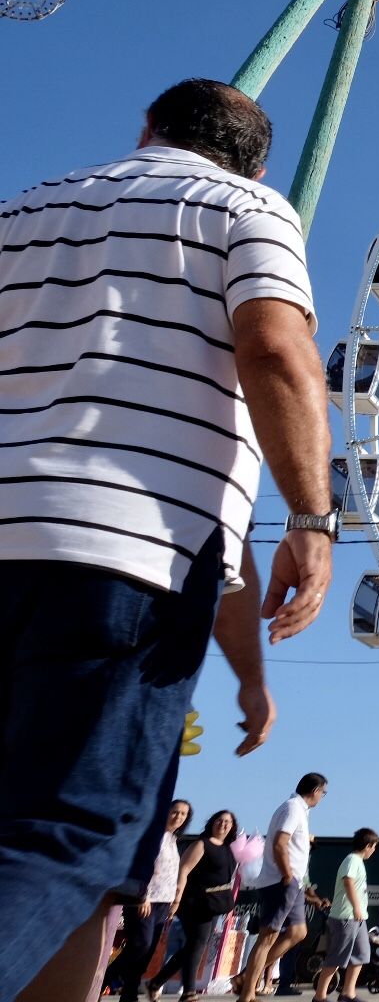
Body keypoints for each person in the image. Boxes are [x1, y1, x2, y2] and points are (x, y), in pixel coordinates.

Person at [0, 78, 333, 1002]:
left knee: (86, 876)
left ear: (144, 128)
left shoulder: (26, 206)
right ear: (260, 163)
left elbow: (211, 512)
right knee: (71, 834)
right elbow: (276, 350)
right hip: (121, 565)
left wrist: (251, 675)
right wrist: (313, 518)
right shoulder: (247, 206)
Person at [240, 774, 328, 1002]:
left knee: (298, 932)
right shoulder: (292, 808)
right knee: (268, 936)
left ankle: (246, 976)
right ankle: (247, 994)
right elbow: (280, 843)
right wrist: (287, 874)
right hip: (281, 881)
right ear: (316, 790)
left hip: (294, 882)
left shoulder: (299, 810)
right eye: (323, 793)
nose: (322, 797)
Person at [149, 810, 239, 1002]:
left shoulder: (228, 848)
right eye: (219, 820)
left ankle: (157, 982)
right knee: (196, 945)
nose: (222, 824)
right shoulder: (201, 843)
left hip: (214, 904)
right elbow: (184, 870)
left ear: (232, 827)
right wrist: (177, 898)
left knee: (194, 946)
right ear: (212, 822)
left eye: (227, 822)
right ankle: (188, 992)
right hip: (194, 901)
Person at [111, 800, 191, 1001]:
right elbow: (140, 866)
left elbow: (172, 874)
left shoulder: (173, 840)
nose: (178, 817)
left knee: (148, 950)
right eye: (175, 812)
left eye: (183, 814)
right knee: (140, 944)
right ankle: (107, 977)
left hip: (164, 901)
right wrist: (141, 896)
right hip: (145, 899)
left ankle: (129, 993)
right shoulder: (151, 836)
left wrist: (174, 901)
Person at [314, 828, 378, 1002]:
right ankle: (320, 996)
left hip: (358, 919)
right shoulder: (352, 860)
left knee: (362, 954)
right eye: (374, 847)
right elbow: (348, 881)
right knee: (337, 957)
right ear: (368, 845)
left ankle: (348, 993)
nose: (374, 851)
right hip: (345, 917)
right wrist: (356, 907)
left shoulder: (358, 862)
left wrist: (360, 911)